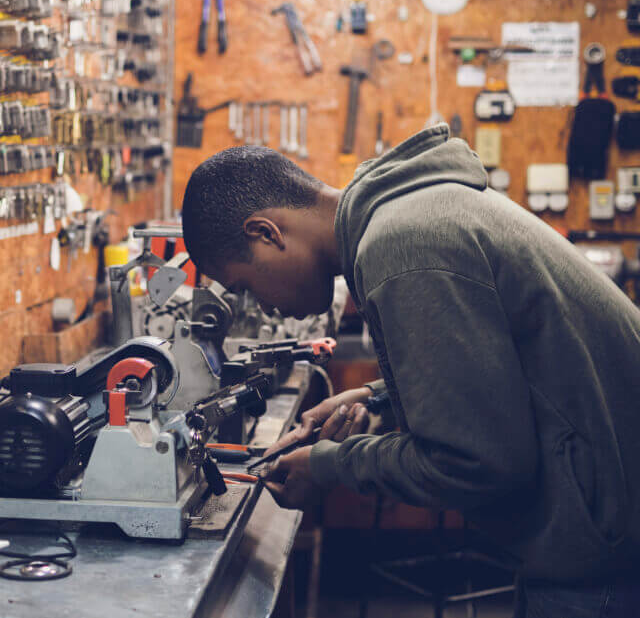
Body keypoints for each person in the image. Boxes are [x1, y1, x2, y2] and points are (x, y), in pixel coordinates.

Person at [180, 125, 640, 616]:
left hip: (603, 558)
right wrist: (375, 396)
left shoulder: (403, 248)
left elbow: (476, 461)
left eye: (245, 286)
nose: (262, 308)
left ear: (266, 232)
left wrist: (329, 466)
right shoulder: (410, 215)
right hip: (600, 529)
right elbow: (500, 367)